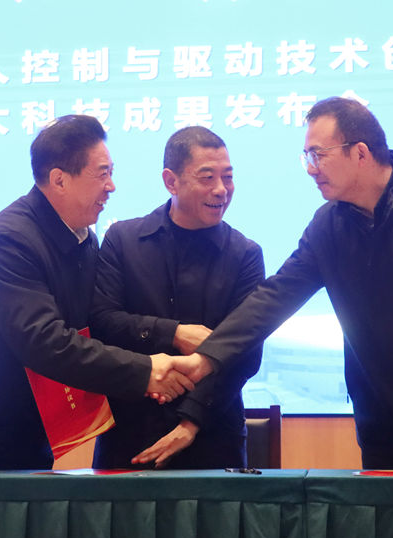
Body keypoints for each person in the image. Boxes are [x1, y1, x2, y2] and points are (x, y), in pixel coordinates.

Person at [185, 97, 393, 471]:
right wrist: (206, 357)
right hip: (387, 437)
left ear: (360, 152)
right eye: (306, 156)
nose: (310, 168)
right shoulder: (328, 226)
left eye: (318, 155)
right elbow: (274, 297)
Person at [0, 115, 204, 470]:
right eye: (102, 174)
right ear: (59, 180)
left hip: (25, 431)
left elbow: (99, 321)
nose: (111, 186)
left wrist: (166, 341)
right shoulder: (11, 239)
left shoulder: (84, 239)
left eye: (112, 172)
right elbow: (44, 342)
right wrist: (145, 371)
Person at [89, 126, 265, 469]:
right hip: (131, 431)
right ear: (171, 181)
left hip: (212, 435)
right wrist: (173, 333)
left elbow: (246, 351)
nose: (221, 189)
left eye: (228, 177)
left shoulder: (245, 254)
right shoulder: (122, 240)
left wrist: (190, 422)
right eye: (207, 177)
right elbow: (102, 321)